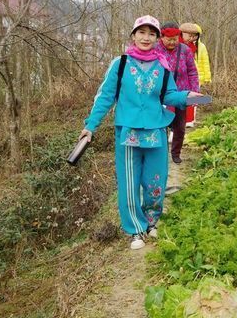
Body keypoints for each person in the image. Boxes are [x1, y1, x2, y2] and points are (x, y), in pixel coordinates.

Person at [78, 15, 202, 250]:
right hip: (128, 132)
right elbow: (105, 97)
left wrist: (186, 97)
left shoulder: (162, 65)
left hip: (156, 130)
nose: (146, 38)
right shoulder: (121, 64)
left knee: (156, 180)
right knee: (129, 182)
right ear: (133, 35)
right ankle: (135, 229)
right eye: (142, 33)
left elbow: (168, 95)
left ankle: (152, 221)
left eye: (152, 34)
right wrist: (90, 126)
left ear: (157, 38)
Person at [156, 22, 199, 164]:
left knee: (179, 127)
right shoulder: (155, 50)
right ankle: (159, 155)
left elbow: (192, 71)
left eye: (175, 39)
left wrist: (194, 91)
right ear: (161, 37)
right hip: (159, 95)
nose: (172, 42)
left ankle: (176, 153)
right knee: (160, 126)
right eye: (169, 39)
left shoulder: (185, 50)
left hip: (181, 93)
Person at [180, 22, 211, 127]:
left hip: (198, 76)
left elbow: (205, 62)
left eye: (195, 35)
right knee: (184, 97)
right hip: (185, 77)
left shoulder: (201, 47)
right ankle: (184, 119)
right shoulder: (181, 45)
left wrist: (207, 77)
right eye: (190, 35)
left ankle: (191, 120)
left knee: (194, 98)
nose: (192, 37)